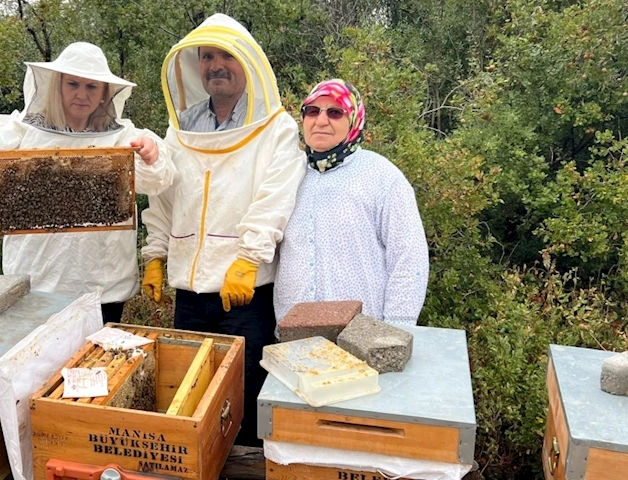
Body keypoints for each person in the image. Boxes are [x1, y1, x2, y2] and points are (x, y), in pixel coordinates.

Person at [140, 14, 306, 447]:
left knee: (244, 391)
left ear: (247, 63)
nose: (216, 65)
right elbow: (163, 199)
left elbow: (275, 200)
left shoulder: (276, 130)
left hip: (245, 292)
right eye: (207, 56)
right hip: (191, 294)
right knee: (191, 386)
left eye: (226, 55)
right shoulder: (182, 129)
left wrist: (248, 260)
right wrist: (155, 255)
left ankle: (243, 466)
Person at [0, 42, 176, 324]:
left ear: (104, 95)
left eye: (91, 87)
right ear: (56, 86)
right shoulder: (21, 132)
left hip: (103, 286)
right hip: (35, 283)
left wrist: (150, 153)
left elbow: (158, 179)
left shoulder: (122, 138)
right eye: (73, 84)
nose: (81, 94)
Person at [274, 79, 429, 326]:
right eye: (313, 111)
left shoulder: (382, 177)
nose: (321, 120)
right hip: (294, 335)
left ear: (354, 119)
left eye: (335, 112)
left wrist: (398, 327)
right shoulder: (286, 174)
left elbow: (409, 258)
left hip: (362, 335)